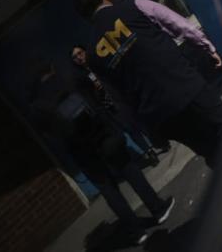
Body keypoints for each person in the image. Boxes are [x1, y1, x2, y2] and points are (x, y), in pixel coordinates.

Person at [74, 0, 222, 166]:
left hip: (161, 115)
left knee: (211, 151)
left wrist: (150, 132)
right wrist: (206, 45)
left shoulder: (92, 56)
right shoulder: (133, 5)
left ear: (85, 17)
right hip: (186, 87)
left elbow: (120, 100)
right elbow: (176, 22)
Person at [28, 61, 174, 245]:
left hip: (82, 152)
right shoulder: (70, 78)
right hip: (104, 136)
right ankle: (158, 209)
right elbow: (96, 97)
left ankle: (137, 232)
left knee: (109, 191)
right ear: (50, 69)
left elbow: (51, 136)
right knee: (130, 170)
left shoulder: (37, 107)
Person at [71, 45, 162, 165]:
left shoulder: (98, 61)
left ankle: (158, 141)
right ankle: (149, 151)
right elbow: (89, 97)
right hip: (109, 105)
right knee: (130, 129)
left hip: (121, 96)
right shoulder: (81, 77)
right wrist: (96, 90)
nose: (79, 57)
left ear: (85, 51)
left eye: (80, 53)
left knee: (139, 120)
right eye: (75, 57)